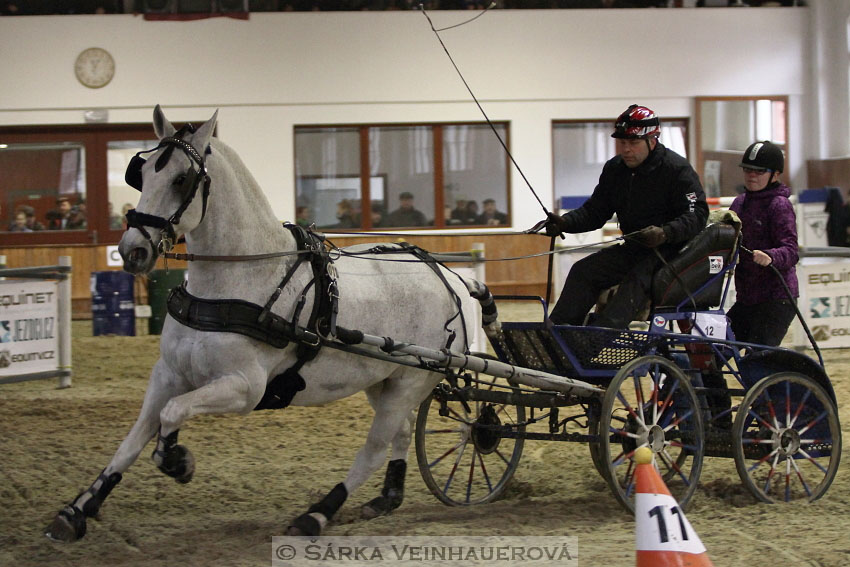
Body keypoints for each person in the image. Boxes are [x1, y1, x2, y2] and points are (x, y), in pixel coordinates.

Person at [539, 104, 708, 329]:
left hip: (671, 252)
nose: (626, 149)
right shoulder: (615, 169)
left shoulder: (677, 170)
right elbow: (595, 211)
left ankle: (600, 339)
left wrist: (665, 233)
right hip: (634, 248)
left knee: (635, 281)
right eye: (623, 143)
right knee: (583, 271)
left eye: (633, 143)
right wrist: (566, 222)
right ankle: (558, 336)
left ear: (652, 140)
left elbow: (698, 214)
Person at [727, 141, 798, 346]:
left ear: (775, 175)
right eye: (748, 170)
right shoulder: (739, 203)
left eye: (759, 171)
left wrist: (771, 256)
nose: (752, 175)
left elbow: (791, 250)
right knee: (712, 355)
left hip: (776, 299)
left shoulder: (779, 205)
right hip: (747, 299)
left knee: (757, 361)